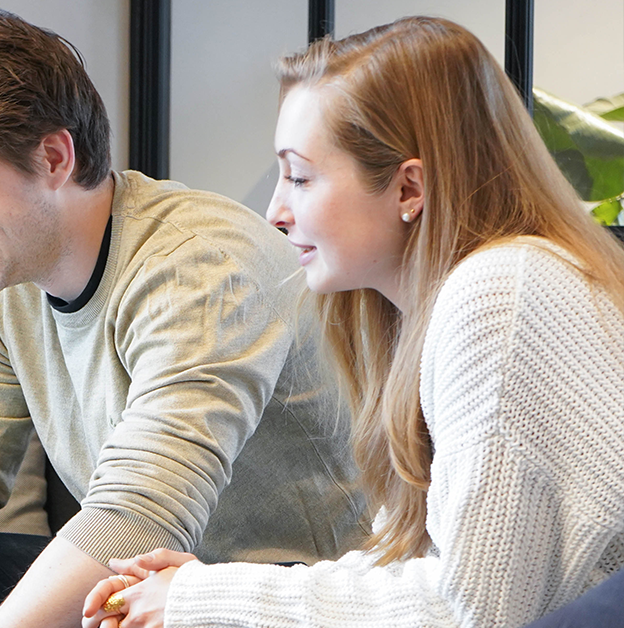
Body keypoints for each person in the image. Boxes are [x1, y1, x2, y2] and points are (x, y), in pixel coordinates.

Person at [0, 8, 367, 628]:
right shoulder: (9, 278)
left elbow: (137, 516)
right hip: (142, 576)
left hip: (270, 590)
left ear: (55, 157)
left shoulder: (199, 266)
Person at [82, 16, 624, 628]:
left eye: (301, 176)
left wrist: (195, 599)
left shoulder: (500, 294)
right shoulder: (442, 303)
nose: (275, 211)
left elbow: (466, 612)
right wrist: (199, 589)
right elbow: (409, 569)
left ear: (408, 188)